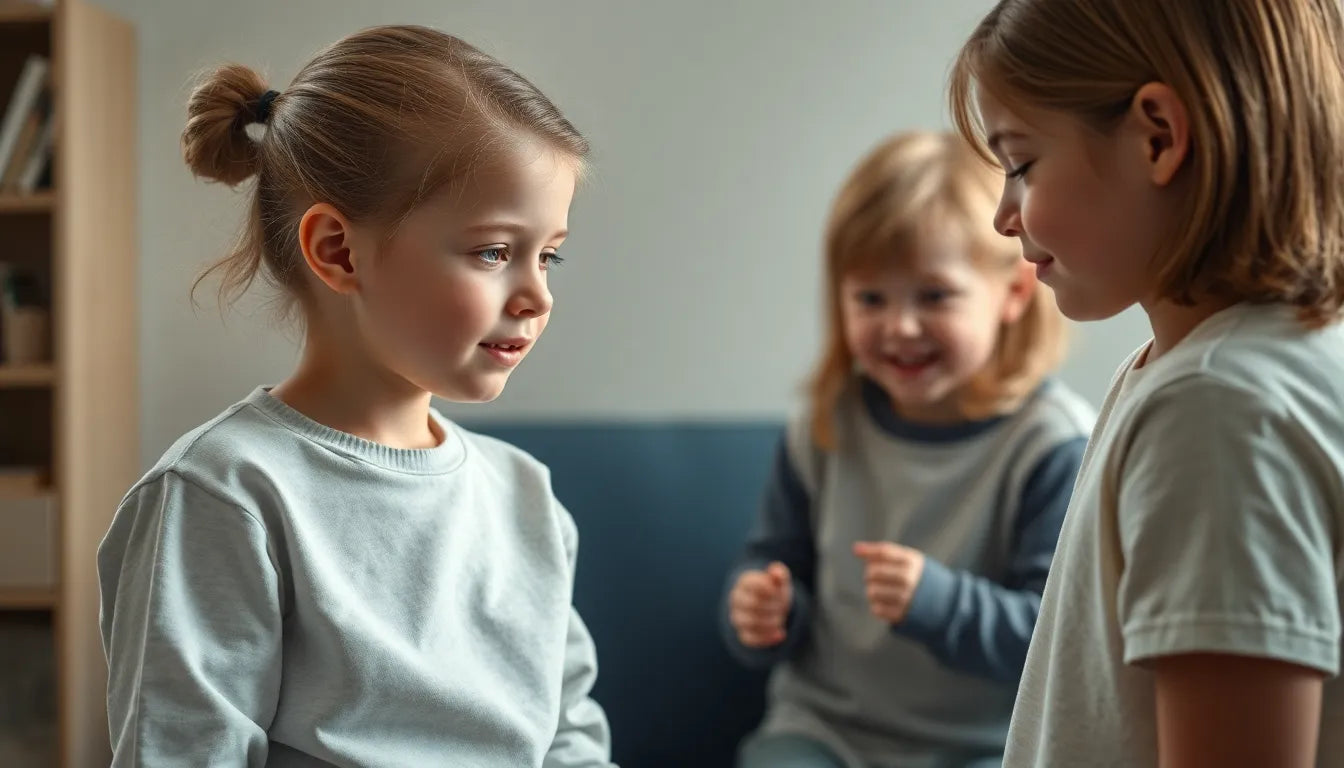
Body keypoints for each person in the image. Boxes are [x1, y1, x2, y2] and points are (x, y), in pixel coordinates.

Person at [97, 25, 614, 767]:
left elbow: (570, 739)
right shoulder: (223, 495)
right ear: (338, 251)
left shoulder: (527, 499)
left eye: (549, 256)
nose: (537, 295)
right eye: (495, 252)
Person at [949, 1, 1344, 765]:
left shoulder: (1219, 407)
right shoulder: (1211, 371)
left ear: (1157, 138)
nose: (1003, 215)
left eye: (1021, 165)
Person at [722, 131, 1093, 768]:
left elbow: (1058, 639)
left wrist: (940, 604)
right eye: (871, 298)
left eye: (934, 295)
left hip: (988, 748)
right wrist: (761, 610)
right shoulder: (824, 424)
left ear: (1013, 293)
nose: (900, 326)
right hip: (826, 733)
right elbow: (775, 560)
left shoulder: (1050, 445)